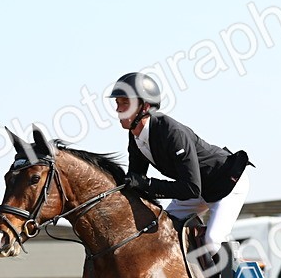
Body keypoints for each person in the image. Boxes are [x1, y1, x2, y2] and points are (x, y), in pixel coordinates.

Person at [107, 71, 252, 253]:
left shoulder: (172, 133)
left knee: (213, 240)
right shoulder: (135, 136)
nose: (118, 110)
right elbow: (137, 180)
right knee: (163, 231)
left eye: (125, 103)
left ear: (144, 107)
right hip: (197, 189)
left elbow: (190, 188)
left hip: (227, 183)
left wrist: (149, 184)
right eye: (117, 103)